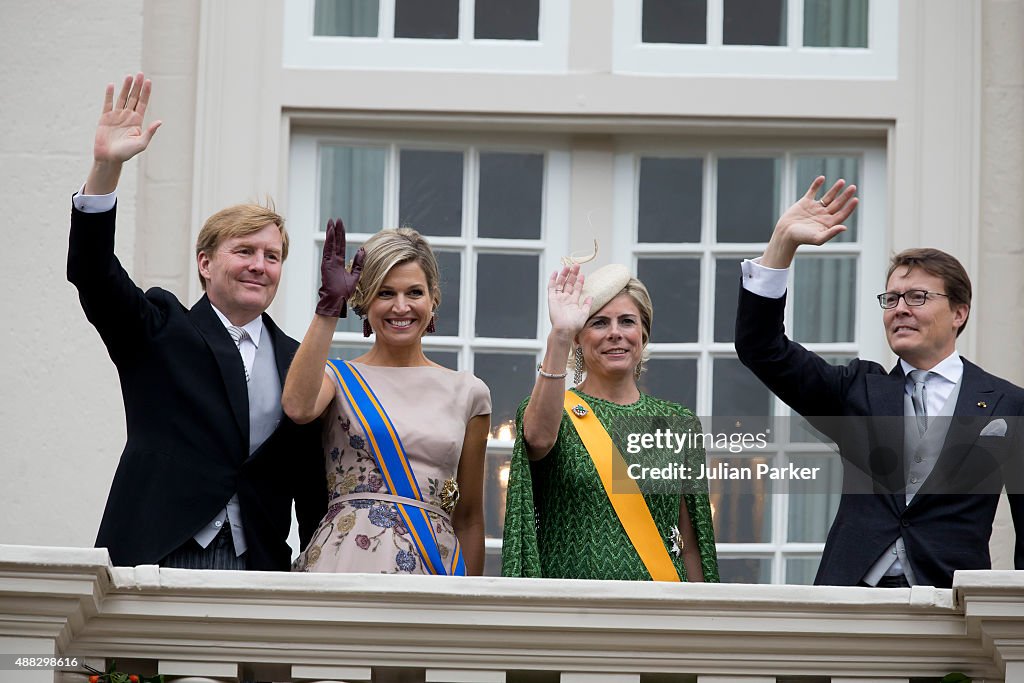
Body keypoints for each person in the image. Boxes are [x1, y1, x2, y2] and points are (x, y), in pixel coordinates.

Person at [68, 73, 325, 570]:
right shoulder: (160, 327)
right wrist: (105, 170)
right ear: (205, 263)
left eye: (272, 257)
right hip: (156, 554)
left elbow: (311, 484)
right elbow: (92, 272)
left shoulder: (299, 359)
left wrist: (314, 581)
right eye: (244, 251)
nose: (259, 265)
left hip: (260, 568)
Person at [735, 175, 1024, 588]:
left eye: (917, 297)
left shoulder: (1008, 404)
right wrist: (783, 243)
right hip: (852, 601)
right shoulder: (858, 390)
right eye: (891, 299)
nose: (900, 309)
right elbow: (761, 348)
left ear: (959, 313)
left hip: (951, 606)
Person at [283, 219, 491, 575]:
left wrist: (468, 605)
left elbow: (470, 517)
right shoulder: (338, 377)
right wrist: (329, 307)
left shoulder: (469, 391)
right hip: (345, 561)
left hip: (433, 569)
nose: (401, 307)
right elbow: (298, 408)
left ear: (433, 299)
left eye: (414, 292)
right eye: (385, 293)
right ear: (365, 301)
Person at [502, 262, 719, 581]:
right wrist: (560, 333)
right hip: (574, 612)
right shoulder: (551, 411)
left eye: (627, 321)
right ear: (579, 338)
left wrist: (699, 624)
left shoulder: (677, 422)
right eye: (599, 323)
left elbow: (690, 545)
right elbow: (537, 439)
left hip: (657, 609)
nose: (615, 333)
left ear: (643, 334)